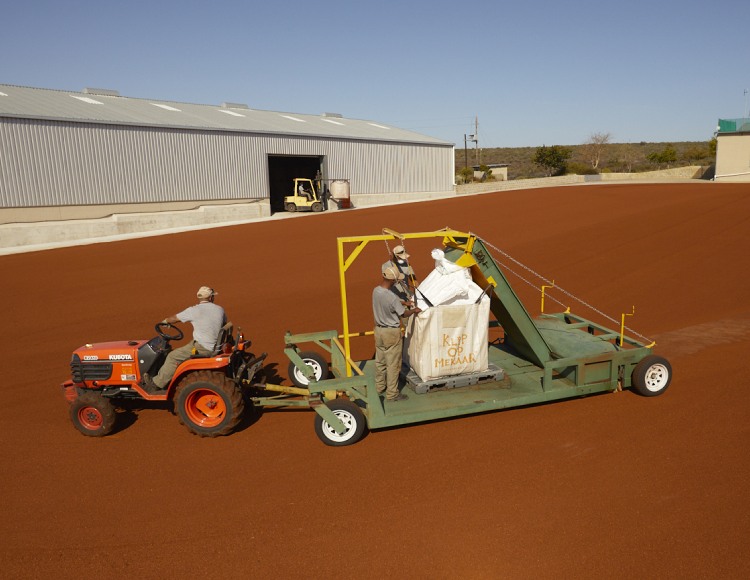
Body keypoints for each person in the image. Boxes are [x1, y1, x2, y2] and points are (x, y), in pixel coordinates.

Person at [144, 286, 227, 390]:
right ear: (210, 298)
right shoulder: (220, 310)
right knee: (186, 347)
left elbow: (174, 318)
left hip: (203, 347)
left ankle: (156, 384)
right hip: (212, 345)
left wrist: (165, 321)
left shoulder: (193, 310)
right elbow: (223, 323)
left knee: (172, 356)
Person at [373, 266, 421, 402]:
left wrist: (403, 302)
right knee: (393, 364)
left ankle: (379, 387)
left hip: (379, 331)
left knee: (380, 361)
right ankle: (392, 394)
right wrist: (413, 310)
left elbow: (390, 301)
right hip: (391, 333)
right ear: (393, 280)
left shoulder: (376, 291)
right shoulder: (392, 298)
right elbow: (403, 313)